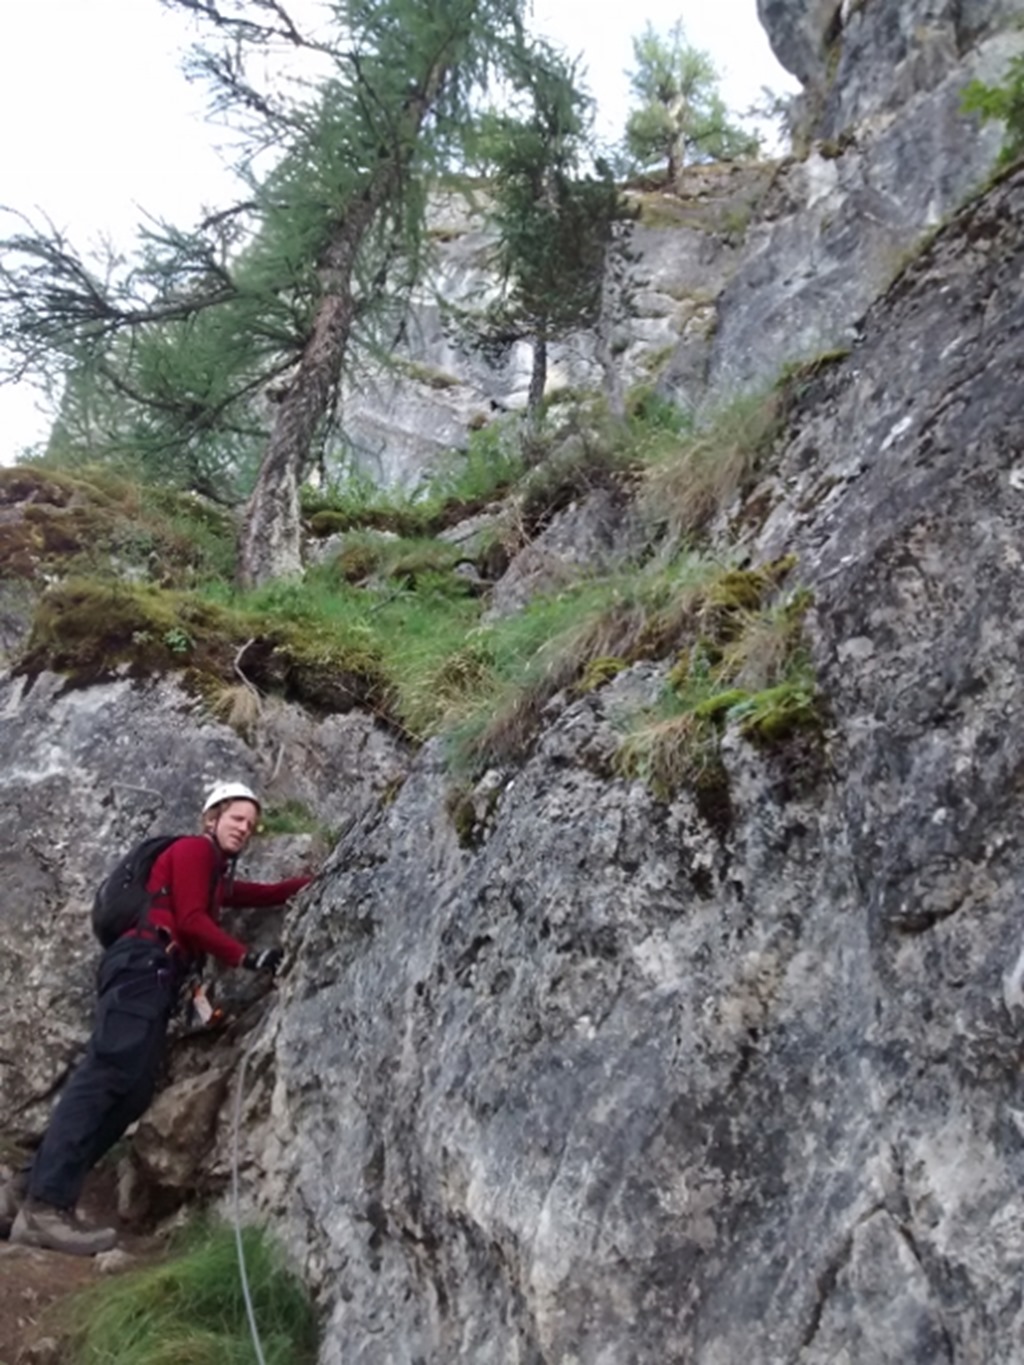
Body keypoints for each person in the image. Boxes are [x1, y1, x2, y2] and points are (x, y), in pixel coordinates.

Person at [0, 781, 311, 1256]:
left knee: (132, 1091)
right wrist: (246, 957)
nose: (245, 829)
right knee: (106, 1076)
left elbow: (261, 894)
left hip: (151, 976)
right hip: (143, 966)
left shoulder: (212, 876)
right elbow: (188, 920)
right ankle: (45, 1208)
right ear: (211, 819)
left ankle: (24, 1191)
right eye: (236, 818)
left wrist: (311, 882)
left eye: (251, 824)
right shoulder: (193, 852)